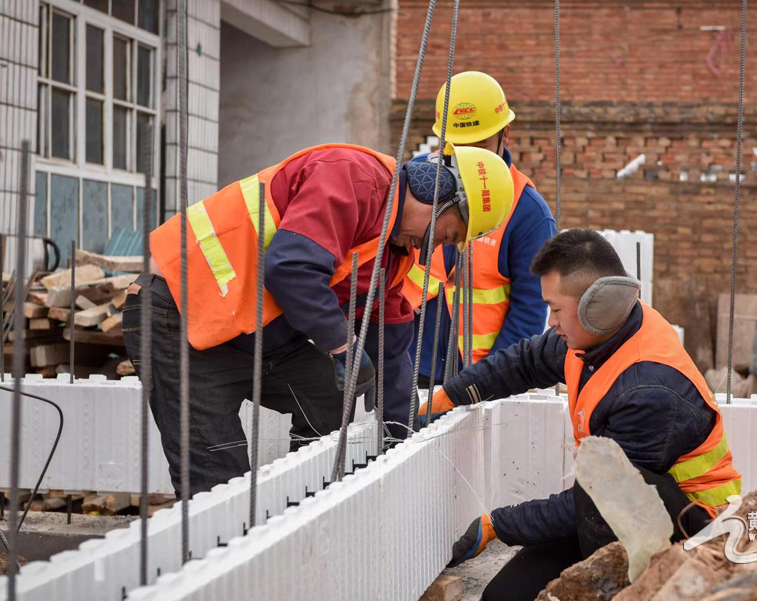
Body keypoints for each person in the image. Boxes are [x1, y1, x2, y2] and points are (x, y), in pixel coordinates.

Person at [122, 143, 514, 498]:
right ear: (437, 192)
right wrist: (342, 346)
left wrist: (403, 434)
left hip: (248, 332)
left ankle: (302, 504)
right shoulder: (351, 176)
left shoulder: (392, 256)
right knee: (219, 485)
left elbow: (390, 350)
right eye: (446, 235)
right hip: (178, 316)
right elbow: (291, 267)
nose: (431, 251)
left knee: (329, 393)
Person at [421, 229, 742, 601]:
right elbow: (524, 363)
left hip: (690, 531)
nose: (550, 321)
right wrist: (448, 397)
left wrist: (500, 525)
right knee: (503, 596)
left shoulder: (649, 390)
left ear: (598, 305)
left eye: (555, 309)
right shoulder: (595, 335)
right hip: (615, 507)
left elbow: (605, 500)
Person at [404, 72, 556, 385]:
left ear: (506, 135)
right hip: (406, 359)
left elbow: (528, 310)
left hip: (474, 375)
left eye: (481, 145)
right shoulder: (416, 181)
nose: (469, 159)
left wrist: (488, 382)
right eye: (458, 147)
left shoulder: (528, 212)